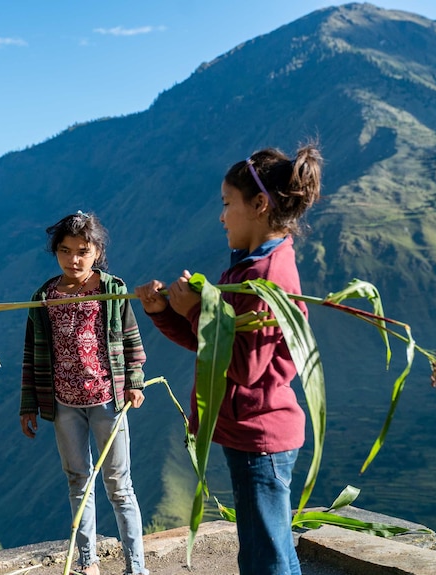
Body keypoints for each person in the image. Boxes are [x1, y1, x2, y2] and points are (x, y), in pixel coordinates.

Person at [135, 145, 322, 575]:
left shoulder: (267, 276)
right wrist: (165, 311)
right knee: (267, 548)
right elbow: (213, 347)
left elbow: (246, 367)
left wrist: (195, 310)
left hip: (262, 434)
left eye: (226, 204)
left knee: (265, 556)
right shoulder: (246, 269)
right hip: (250, 432)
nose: (221, 216)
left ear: (259, 205)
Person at [20, 211, 149, 575]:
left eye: (82, 251)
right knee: (78, 480)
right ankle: (87, 562)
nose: (73, 259)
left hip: (108, 399)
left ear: (97, 252)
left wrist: (135, 382)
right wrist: (28, 404)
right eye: (65, 250)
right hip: (63, 404)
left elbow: (130, 341)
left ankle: (135, 567)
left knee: (119, 486)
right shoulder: (44, 297)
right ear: (55, 252)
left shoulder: (111, 289)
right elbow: (32, 355)